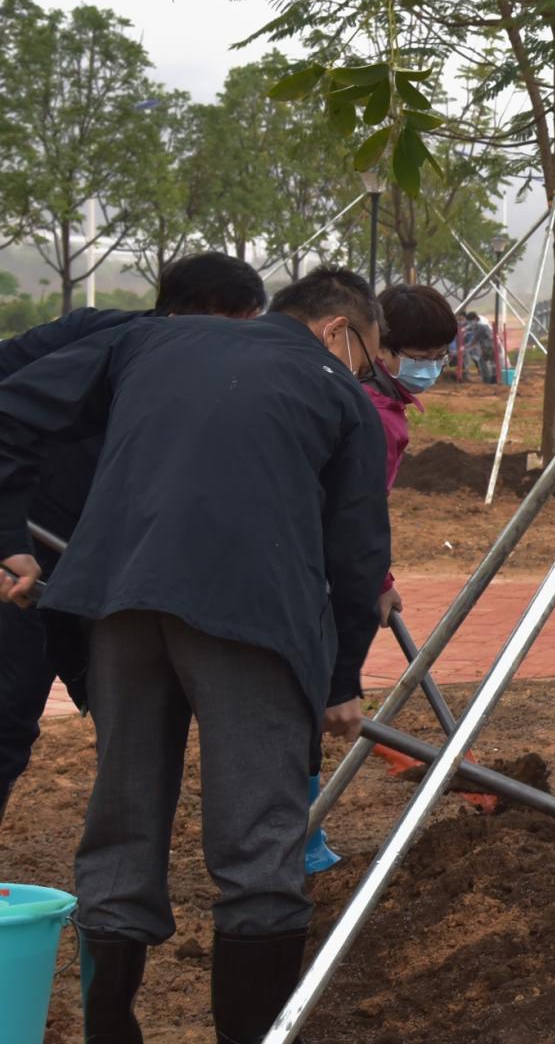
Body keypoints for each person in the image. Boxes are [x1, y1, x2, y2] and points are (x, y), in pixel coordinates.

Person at [0, 265, 390, 1041]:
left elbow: (8, 407)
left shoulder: (148, 340)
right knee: (256, 842)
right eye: (373, 358)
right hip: (249, 617)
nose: (371, 374)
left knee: (121, 821)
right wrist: (341, 677)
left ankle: (110, 1030)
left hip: (118, 602)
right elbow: (357, 557)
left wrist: (11, 543)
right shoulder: (338, 389)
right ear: (337, 331)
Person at [0, 252, 267, 832]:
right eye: (242, 324)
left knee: (124, 715)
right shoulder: (92, 335)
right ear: (202, 315)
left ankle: (118, 885)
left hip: (109, 567)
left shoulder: (222, 380)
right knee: (8, 710)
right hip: (26, 553)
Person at [292, 282, 460, 875]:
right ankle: (302, 842)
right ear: (382, 347)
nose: (432, 369)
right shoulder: (371, 414)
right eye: (423, 356)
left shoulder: (349, 392)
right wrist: (369, 581)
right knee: (309, 703)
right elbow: (354, 513)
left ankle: (300, 834)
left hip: (315, 565)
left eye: (441, 356)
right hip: (316, 577)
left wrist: (378, 576)